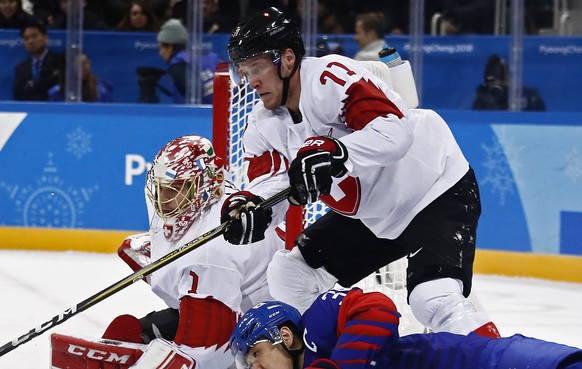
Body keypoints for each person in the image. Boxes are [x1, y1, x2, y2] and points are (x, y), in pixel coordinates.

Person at [221, 7, 501, 338]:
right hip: (372, 215)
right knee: (290, 273)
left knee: (433, 300)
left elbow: (394, 131)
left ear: (287, 59)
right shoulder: (261, 124)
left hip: (433, 190)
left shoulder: (330, 79)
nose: (250, 81)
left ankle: (498, 358)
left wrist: (338, 152)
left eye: (257, 67)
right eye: (243, 70)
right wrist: (254, 209)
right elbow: (275, 184)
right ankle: (330, 354)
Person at [50, 135, 285, 369]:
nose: (163, 199)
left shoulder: (211, 255)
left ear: (205, 186)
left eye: (175, 189)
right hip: (223, 300)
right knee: (125, 333)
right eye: (161, 188)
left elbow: (209, 355)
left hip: (260, 330)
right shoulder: (200, 201)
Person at [230, 288, 582, 369]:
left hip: (478, 362)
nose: (255, 367)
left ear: (285, 336)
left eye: (257, 354)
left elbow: (378, 308)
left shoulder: (319, 321)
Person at [156, 18, 222, 104]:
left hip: (203, 115)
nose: (160, 53)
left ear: (170, 46)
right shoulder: (213, 56)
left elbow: (195, 92)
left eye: (161, 48)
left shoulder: (179, 63)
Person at [472, 54, 546, 111]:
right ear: (486, 83)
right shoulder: (482, 100)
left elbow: (539, 117)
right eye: (492, 80)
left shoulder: (525, 96)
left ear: (508, 80)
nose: (497, 84)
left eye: (501, 78)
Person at [13, 20, 60, 101]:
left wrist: (31, 85)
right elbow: (18, 94)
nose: (30, 41)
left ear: (45, 38)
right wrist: (49, 80)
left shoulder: (59, 61)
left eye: (34, 36)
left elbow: (59, 87)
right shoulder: (21, 68)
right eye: (26, 38)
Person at [48, 52, 114, 102]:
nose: (87, 67)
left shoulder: (101, 90)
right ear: (70, 69)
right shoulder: (55, 93)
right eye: (82, 64)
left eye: (88, 63)